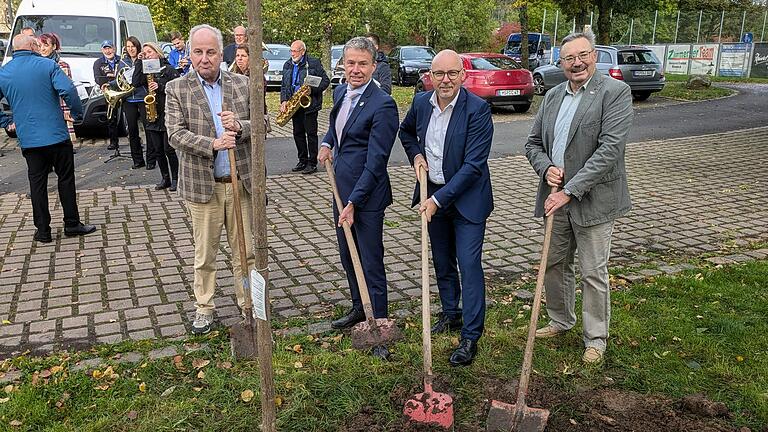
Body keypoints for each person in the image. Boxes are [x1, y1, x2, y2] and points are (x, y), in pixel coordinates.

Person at [524, 32, 634, 364]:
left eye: (583, 55)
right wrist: (546, 169)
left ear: (594, 56)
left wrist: (570, 191)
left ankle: (596, 338)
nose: (577, 63)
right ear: (560, 63)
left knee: (593, 271)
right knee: (555, 263)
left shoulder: (614, 92)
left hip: (594, 199)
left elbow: (609, 151)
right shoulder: (553, 96)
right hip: (554, 195)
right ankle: (561, 320)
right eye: (569, 58)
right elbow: (532, 144)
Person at [399, 50, 494, 367]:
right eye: (439, 74)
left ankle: (470, 335)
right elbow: (405, 132)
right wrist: (415, 156)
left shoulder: (477, 110)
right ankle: (451, 313)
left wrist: (437, 202)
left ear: (463, 75)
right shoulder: (420, 104)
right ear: (430, 76)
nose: (445, 80)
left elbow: (473, 166)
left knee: (468, 264)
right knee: (441, 260)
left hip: (466, 199)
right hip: (433, 191)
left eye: (452, 73)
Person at [165, 24, 255, 335]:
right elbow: (175, 133)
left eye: (211, 52)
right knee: (205, 254)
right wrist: (213, 144)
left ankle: (250, 304)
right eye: (199, 52)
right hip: (203, 187)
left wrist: (240, 126)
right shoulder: (176, 88)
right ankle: (204, 307)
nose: (205, 58)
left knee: (247, 252)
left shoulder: (242, 84)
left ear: (221, 53)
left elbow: (264, 123)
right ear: (190, 54)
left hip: (239, 184)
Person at [317, 37, 399, 360]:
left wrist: (354, 202)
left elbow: (376, 161)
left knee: (370, 262)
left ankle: (379, 326)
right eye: (350, 63)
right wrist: (326, 143)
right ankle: (357, 308)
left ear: (374, 65)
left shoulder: (383, 104)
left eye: (362, 64)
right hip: (340, 191)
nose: (355, 69)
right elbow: (336, 129)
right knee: (347, 256)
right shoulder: (339, 91)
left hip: (366, 197)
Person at [0, 35, 96, 243]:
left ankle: (43, 230)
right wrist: (77, 114)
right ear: (33, 46)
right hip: (55, 135)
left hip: (29, 139)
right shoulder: (48, 65)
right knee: (66, 179)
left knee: (37, 184)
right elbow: (68, 90)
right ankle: (71, 223)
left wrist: (5, 122)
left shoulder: (4, 72)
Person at [133, 42, 180, 191]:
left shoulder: (169, 69)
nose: (147, 55)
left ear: (158, 53)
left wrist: (160, 86)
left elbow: (177, 88)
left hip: (167, 113)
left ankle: (176, 178)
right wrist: (139, 62)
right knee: (158, 150)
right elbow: (135, 82)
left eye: (149, 52)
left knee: (169, 149)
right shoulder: (147, 69)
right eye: (145, 53)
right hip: (152, 113)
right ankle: (164, 177)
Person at [280, 39, 329, 174]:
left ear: (303, 51)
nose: (292, 54)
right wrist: (284, 101)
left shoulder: (313, 63)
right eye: (291, 51)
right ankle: (302, 160)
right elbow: (284, 85)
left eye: (295, 51)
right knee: (298, 134)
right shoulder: (287, 64)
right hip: (295, 104)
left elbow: (325, 81)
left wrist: (311, 91)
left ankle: (312, 162)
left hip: (309, 104)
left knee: (311, 134)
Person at [108, 36, 148, 169]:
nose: (131, 49)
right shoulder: (122, 63)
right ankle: (138, 160)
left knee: (149, 129)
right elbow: (119, 80)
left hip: (143, 97)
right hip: (128, 99)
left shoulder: (143, 59)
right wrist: (108, 85)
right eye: (128, 47)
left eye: (133, 46)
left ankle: (152, 159)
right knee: (132, 131)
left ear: (138, 47)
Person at [38, 33, 76, 144]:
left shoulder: (62, 65)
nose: (42, 49)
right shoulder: (36, 64)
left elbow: (66, 91)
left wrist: (67, 112)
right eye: (40, 46)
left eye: (46, 45)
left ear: (54, 47)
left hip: (58, 109)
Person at [93, 39, 121, 151]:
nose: (108, 51)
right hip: (109, 92)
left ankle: (135, 139)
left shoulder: (121, 59)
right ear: (102, 50)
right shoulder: (98, 63)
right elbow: (97, 78)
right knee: (111, 117)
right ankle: (114, 141)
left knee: (129, 116)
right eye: (105, 48)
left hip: (122, 90)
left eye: (109, 48)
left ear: (114, 48)